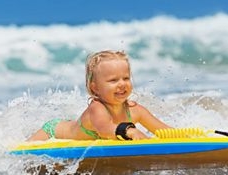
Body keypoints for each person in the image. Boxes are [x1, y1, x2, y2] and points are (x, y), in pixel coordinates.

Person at [28, 50, 172, 141]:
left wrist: (186, 136)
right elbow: (105, 130)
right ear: (95, 88)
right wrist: (128, 130)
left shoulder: (135, 110)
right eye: (113, 80)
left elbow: (164, 131)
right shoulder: (97, 108)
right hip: (53, 132)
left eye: (126, 78)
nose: (122, 84)